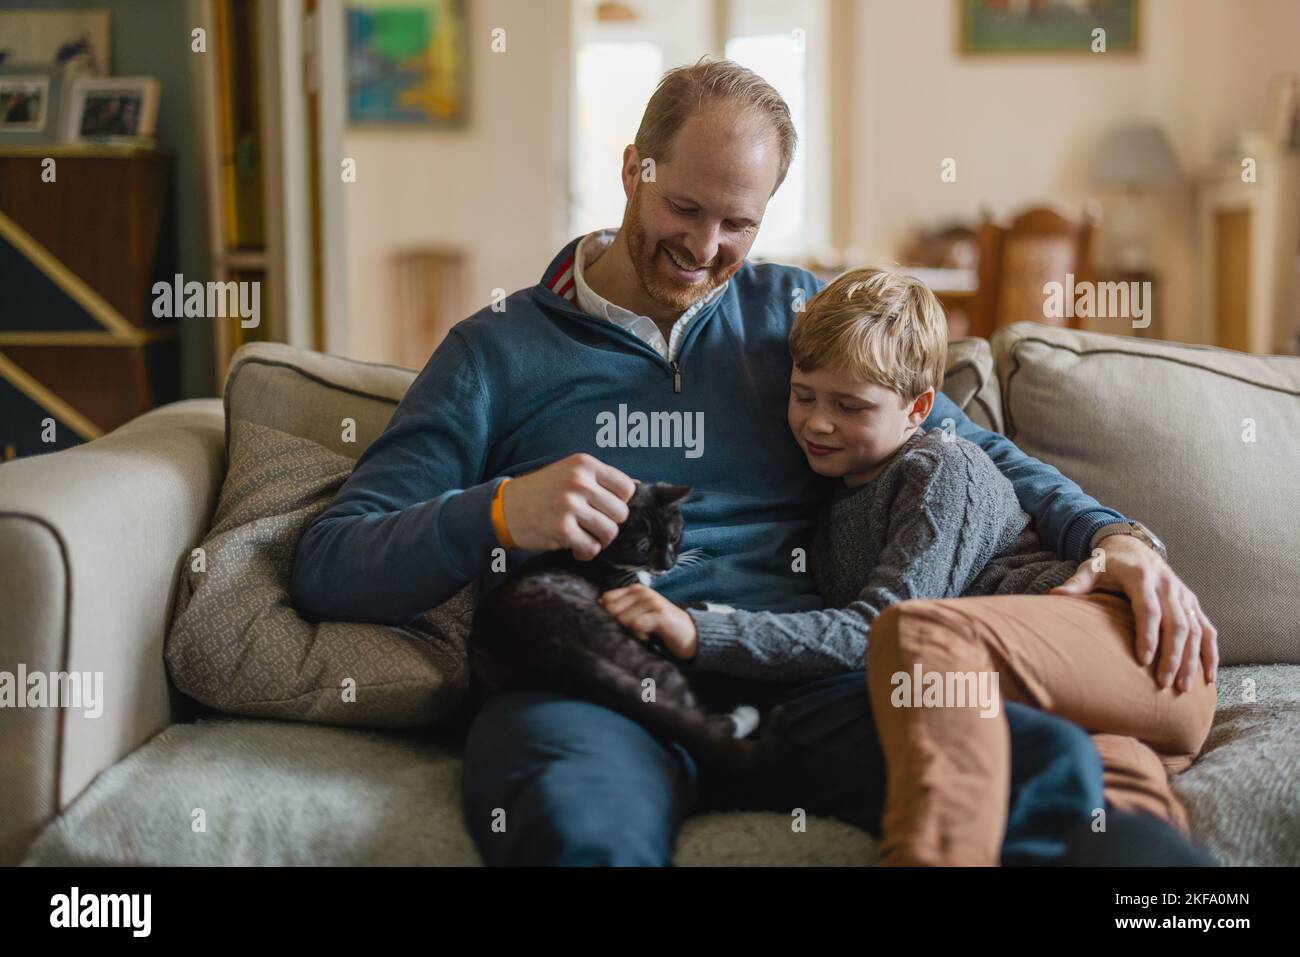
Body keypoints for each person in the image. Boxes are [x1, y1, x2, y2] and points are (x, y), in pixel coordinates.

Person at [291, 58, 1217, 866]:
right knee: (577, 832)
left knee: (1050, 766)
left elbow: (966, 446)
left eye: (737, 223)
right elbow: (332, 562)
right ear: (632, 169)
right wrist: (496, 514)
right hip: (603, 684)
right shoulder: (493, 351)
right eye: (682, 207)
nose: (702, 249)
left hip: (812, 678)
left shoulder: (795, 315)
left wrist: (1115, 534)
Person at [602, 267, 1216, 865]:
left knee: (916, 633)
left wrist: (701, 629)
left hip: (1141, 651)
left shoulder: (942, 472)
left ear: (919, 408)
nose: (818, 422)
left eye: (850, 406)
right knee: (1111, 822)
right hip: (1103, 710)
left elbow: (877, 632)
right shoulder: (837, 497)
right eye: (804, 395)